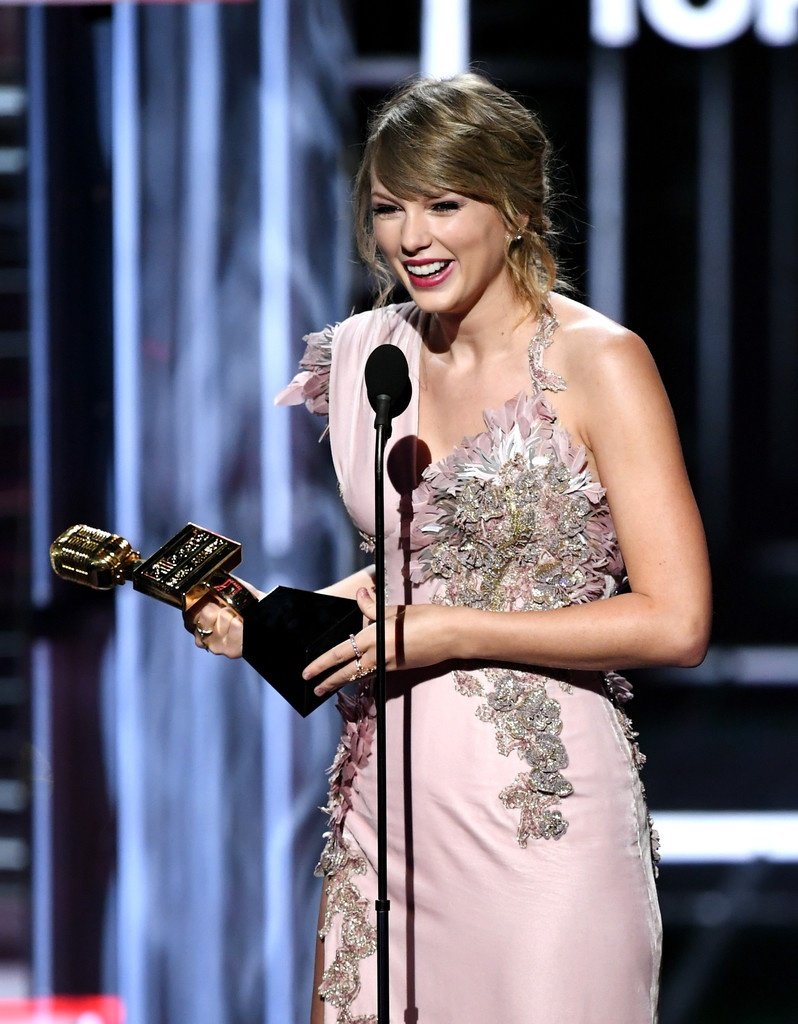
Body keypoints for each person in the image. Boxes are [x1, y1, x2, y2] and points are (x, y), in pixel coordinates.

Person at [187, 73, 711, 1023]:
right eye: (389, 208)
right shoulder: (364, 355)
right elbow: (413, 565)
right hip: (382, 813)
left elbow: (676, 621)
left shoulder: (599, 363)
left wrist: (448, 632)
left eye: (444, 203)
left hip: (539, 828)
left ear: (514, 208)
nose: (412, 237)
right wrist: (265, 623)